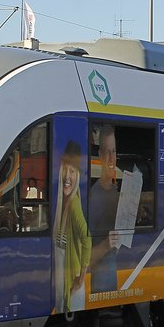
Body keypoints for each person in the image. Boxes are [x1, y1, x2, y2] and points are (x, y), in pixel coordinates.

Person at [54, 140, 90, 313]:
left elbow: (87, 239)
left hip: (73, 290)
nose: (67, 176)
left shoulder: (74, 203)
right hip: (64, 288)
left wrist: (81, 278)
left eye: (72, 171)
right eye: (65, 169)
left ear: (77, 176)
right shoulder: (63, 204)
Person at [88, 123, 121, 293]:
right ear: (100, 155)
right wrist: (107, 244)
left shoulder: (116, 191)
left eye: (113, 151)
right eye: (107, 152)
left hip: (118, 282)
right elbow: (85, 260)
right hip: (101, 287)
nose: (111, 158)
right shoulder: (94, 197)